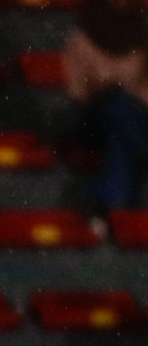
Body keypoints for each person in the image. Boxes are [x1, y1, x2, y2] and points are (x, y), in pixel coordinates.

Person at [63, 0, 148, 213]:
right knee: (117, 106)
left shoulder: (142, 40)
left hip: (133, 115)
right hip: (93, 119)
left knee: (122, 129)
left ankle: (112, 207)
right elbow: (76, 93)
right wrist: (107, 89)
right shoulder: (81, 40)